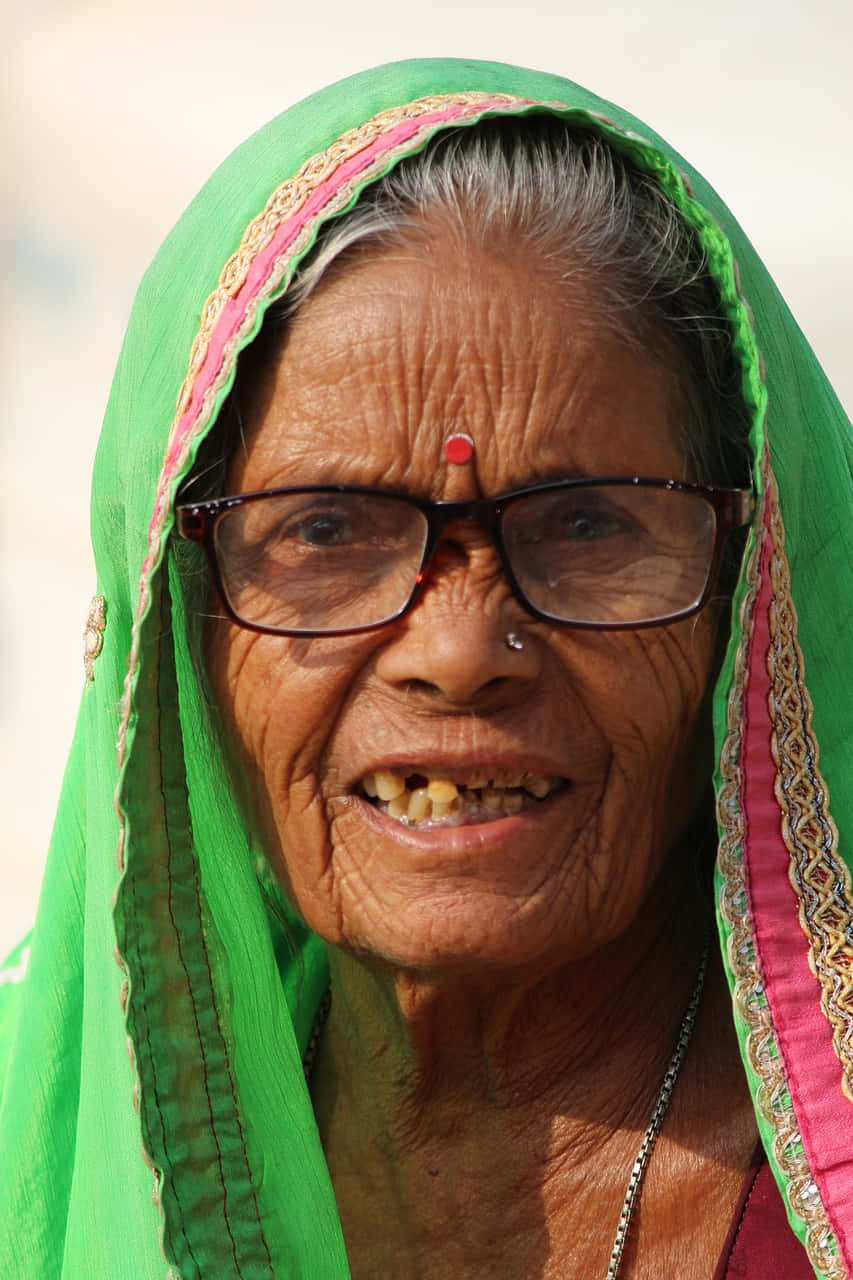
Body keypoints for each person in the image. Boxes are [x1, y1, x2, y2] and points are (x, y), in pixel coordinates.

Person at [0, 58, 851, 1280]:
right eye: (326, 530)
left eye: (587, 522)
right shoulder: (46, 1134)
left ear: (748, 596)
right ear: (174, 627)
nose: (459, 654)